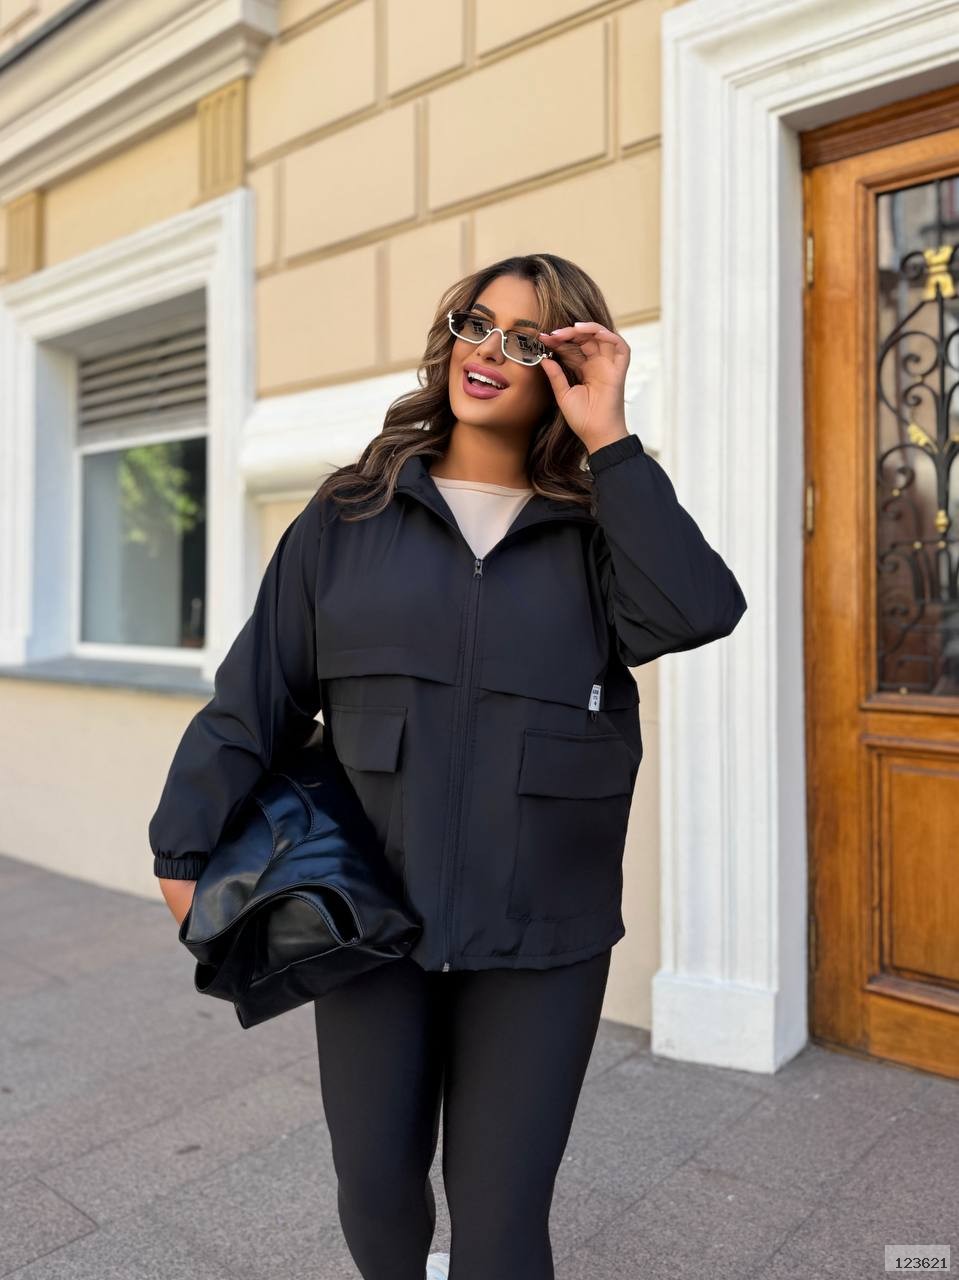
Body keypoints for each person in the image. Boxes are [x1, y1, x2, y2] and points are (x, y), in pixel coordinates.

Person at [150, 253, 748, 1280]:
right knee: (376, 1189)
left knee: (503, 1220)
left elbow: (697, 610)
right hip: (369, 916)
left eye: (526, 339)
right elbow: (257, 694)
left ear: (562, 368)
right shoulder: (349, 514)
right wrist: (184, 846)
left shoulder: (599, 529)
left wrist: (610, 439)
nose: (490, 351)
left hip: (543, 929)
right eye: (477, 324)